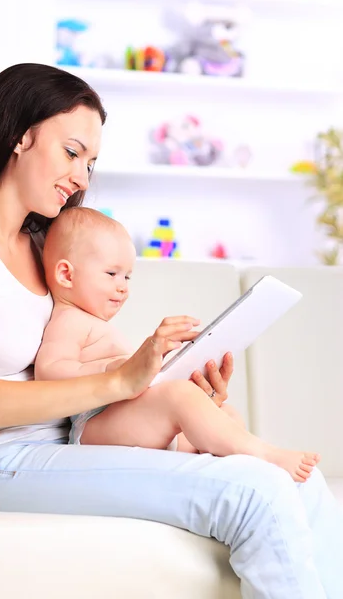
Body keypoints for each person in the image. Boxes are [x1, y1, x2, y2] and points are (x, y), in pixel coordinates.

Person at [0, 63, 341, 598]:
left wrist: (169, 387)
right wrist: (122, 382)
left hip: (65, 439)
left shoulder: (42, 245)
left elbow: (83, 365)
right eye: (72, 152)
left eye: (91, 162)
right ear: (20, 135)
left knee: (303, 483)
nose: (82, 177)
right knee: (256, 491)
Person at [36, 206, 319, 483]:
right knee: (180, 395)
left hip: (125, 420)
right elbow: (48, 374)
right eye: (111, 274)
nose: (123, 286)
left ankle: (233, 468)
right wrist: (114, 368)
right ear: (67, 275)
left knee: (225, 414)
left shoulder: (93, 322)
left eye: (127, 276)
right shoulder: (68, 319)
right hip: (94, 426)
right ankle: (264, 455)